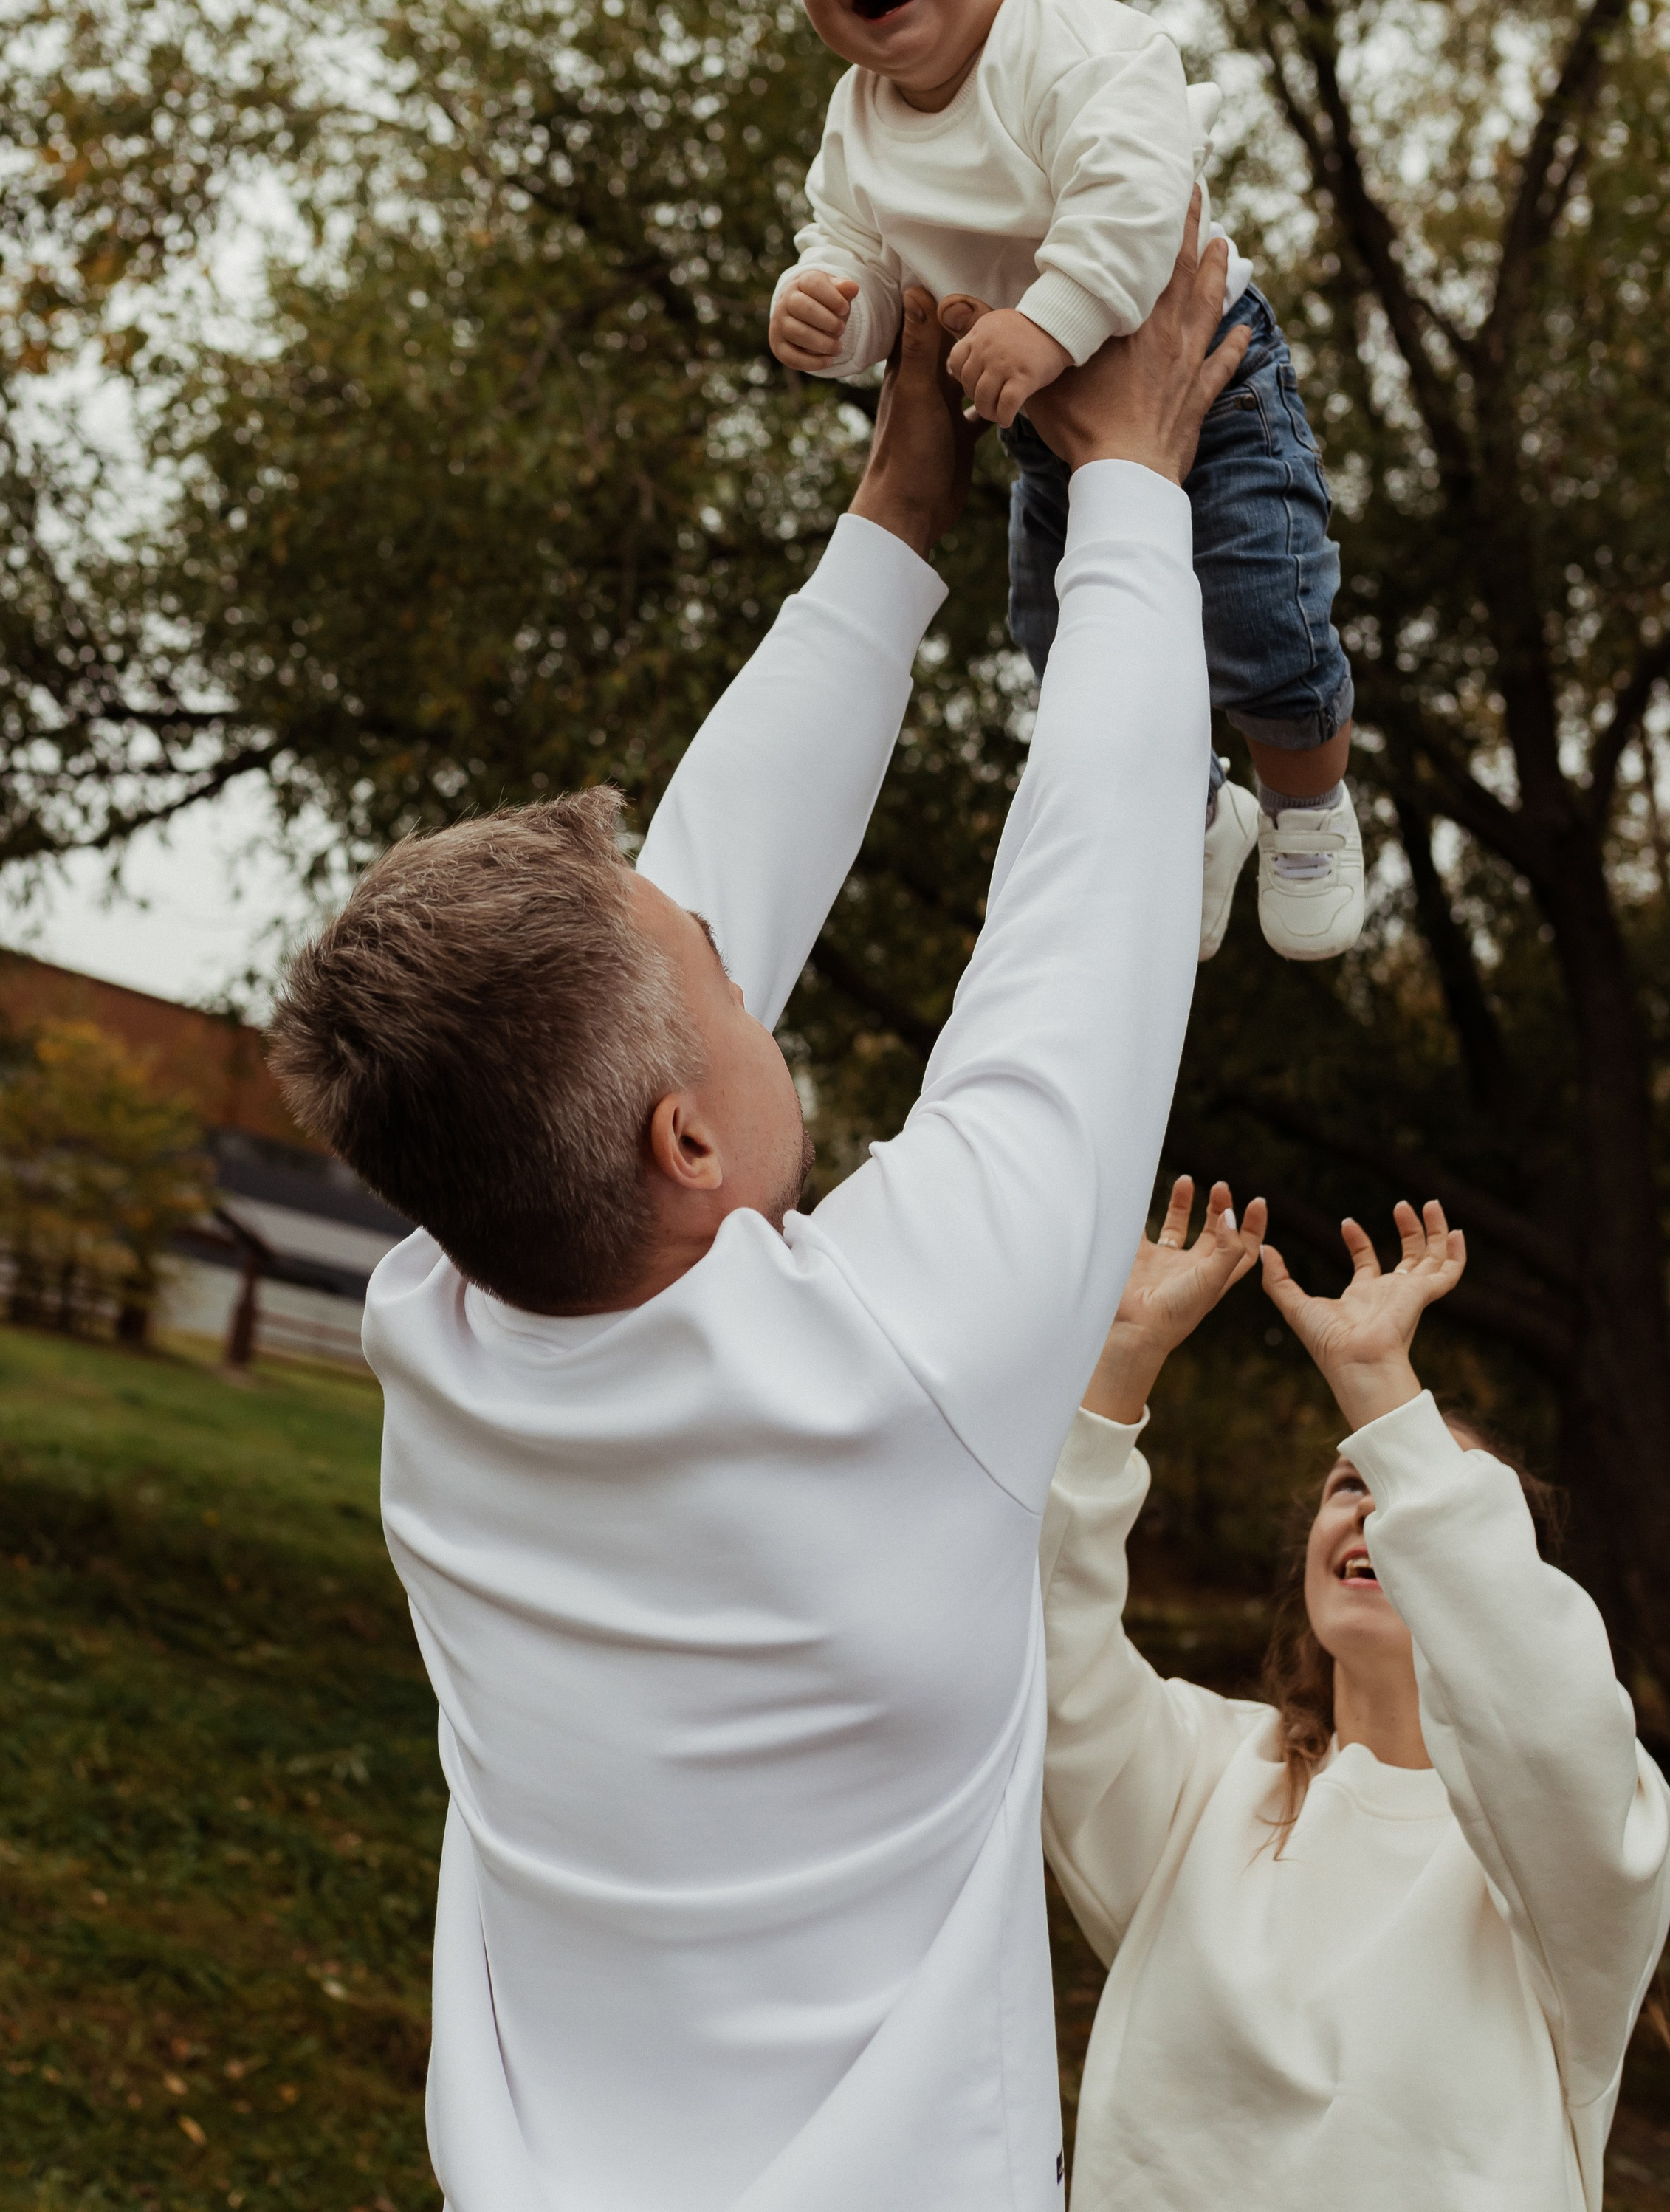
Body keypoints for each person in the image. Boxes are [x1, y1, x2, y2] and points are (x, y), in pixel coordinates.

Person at [266, 207, 1248, 2212]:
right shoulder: (898, 1366)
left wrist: (900, 507)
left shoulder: (454, 1318)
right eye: (720, 979)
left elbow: (673, 934)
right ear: (686, 1149)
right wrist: (1135, 486)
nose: (743, 958)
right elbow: (1097, 921)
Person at [769, 0, 1361, 963]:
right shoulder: (858, 118)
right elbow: (860, 257)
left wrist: (1046, 325)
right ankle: (1192, 806)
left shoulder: (1079, 45)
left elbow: (1134, 201)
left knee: (1260, 616)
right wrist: (834, 316)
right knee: (1061, 636)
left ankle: (1306, 805)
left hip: (1209, 376)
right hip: (1044, 426)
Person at [1040, 1175, 1670, 2211]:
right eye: (1350, 1486)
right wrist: (1118, 1368)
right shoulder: (1202, 1778)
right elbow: (1039, 1644)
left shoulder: (1570, 1861)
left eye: (1418, 1490)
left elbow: (1551, 1729)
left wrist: (1381, 1388)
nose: (1380, 1511)